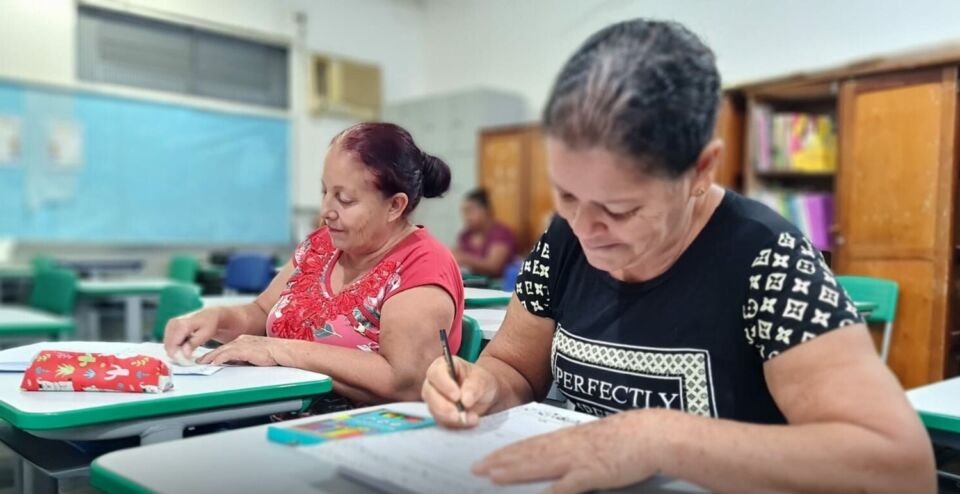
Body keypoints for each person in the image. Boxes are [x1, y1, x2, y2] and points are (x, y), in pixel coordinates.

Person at [421, 19, 934, 494]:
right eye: (567, 195)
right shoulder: (563, 239)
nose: (585, 227)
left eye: (620, 209)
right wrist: (483, 385)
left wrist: (659, 439)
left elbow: (900, 467)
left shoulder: (768, 260)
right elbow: (516, 366)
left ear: (701, 170)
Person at [165, 122, 465, 409]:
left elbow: (405, 381)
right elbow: (261, 313)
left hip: (355, 430)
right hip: (271, 411)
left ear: (395, 206)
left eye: (344, 199)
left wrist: (279, 349)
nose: (326, 211)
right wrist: (216, 319)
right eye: (325, 192)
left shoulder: (421, 265)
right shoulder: (322, 245)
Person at [453, 188, 517, 278]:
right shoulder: (465, 236)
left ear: (485, 210)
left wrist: (465, 258)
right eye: (464, 212)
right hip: (475, 283)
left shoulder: (501, 233)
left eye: (470, 211)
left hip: (500, 285)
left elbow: (494, 266)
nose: (466, 217)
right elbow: (456, 256)